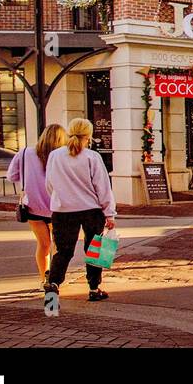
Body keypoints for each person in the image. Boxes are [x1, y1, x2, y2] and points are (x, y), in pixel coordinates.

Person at [44, 118, 116, 301]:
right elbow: (102, 186)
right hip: (90, 209)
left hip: (63, 210)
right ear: (89, 136)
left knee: (64, 250)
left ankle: (53, 284)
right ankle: (94, 288)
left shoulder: (55, 156)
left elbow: (49, 184)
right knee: (94, 249)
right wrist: (109, 212)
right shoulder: (92, 157)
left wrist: (60, 197)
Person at [5, 123, 67, 286]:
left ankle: (43, 278)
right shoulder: (63, 156)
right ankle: (54, 279)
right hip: (57, 207)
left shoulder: (25, 153)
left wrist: (30, 178)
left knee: (43, 244)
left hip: (33, 206)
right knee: (57, 246)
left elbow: (11, 176)